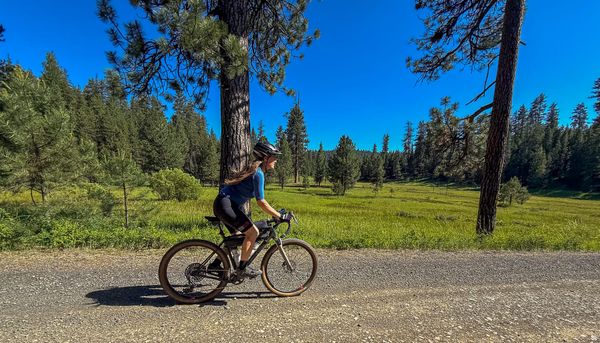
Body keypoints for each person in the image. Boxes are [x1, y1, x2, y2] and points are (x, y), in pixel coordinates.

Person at [212, 141, 291, 278]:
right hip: (226, 205)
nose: (276, 160)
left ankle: (215, 265)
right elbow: (261, 202)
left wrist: (275, 213)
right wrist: (279, 215)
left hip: (224, 204)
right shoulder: (258, 174)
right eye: (274, 156)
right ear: (266, 158)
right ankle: (243, 268)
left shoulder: (256, 170)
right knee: (253, 233)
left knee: (237, 237)